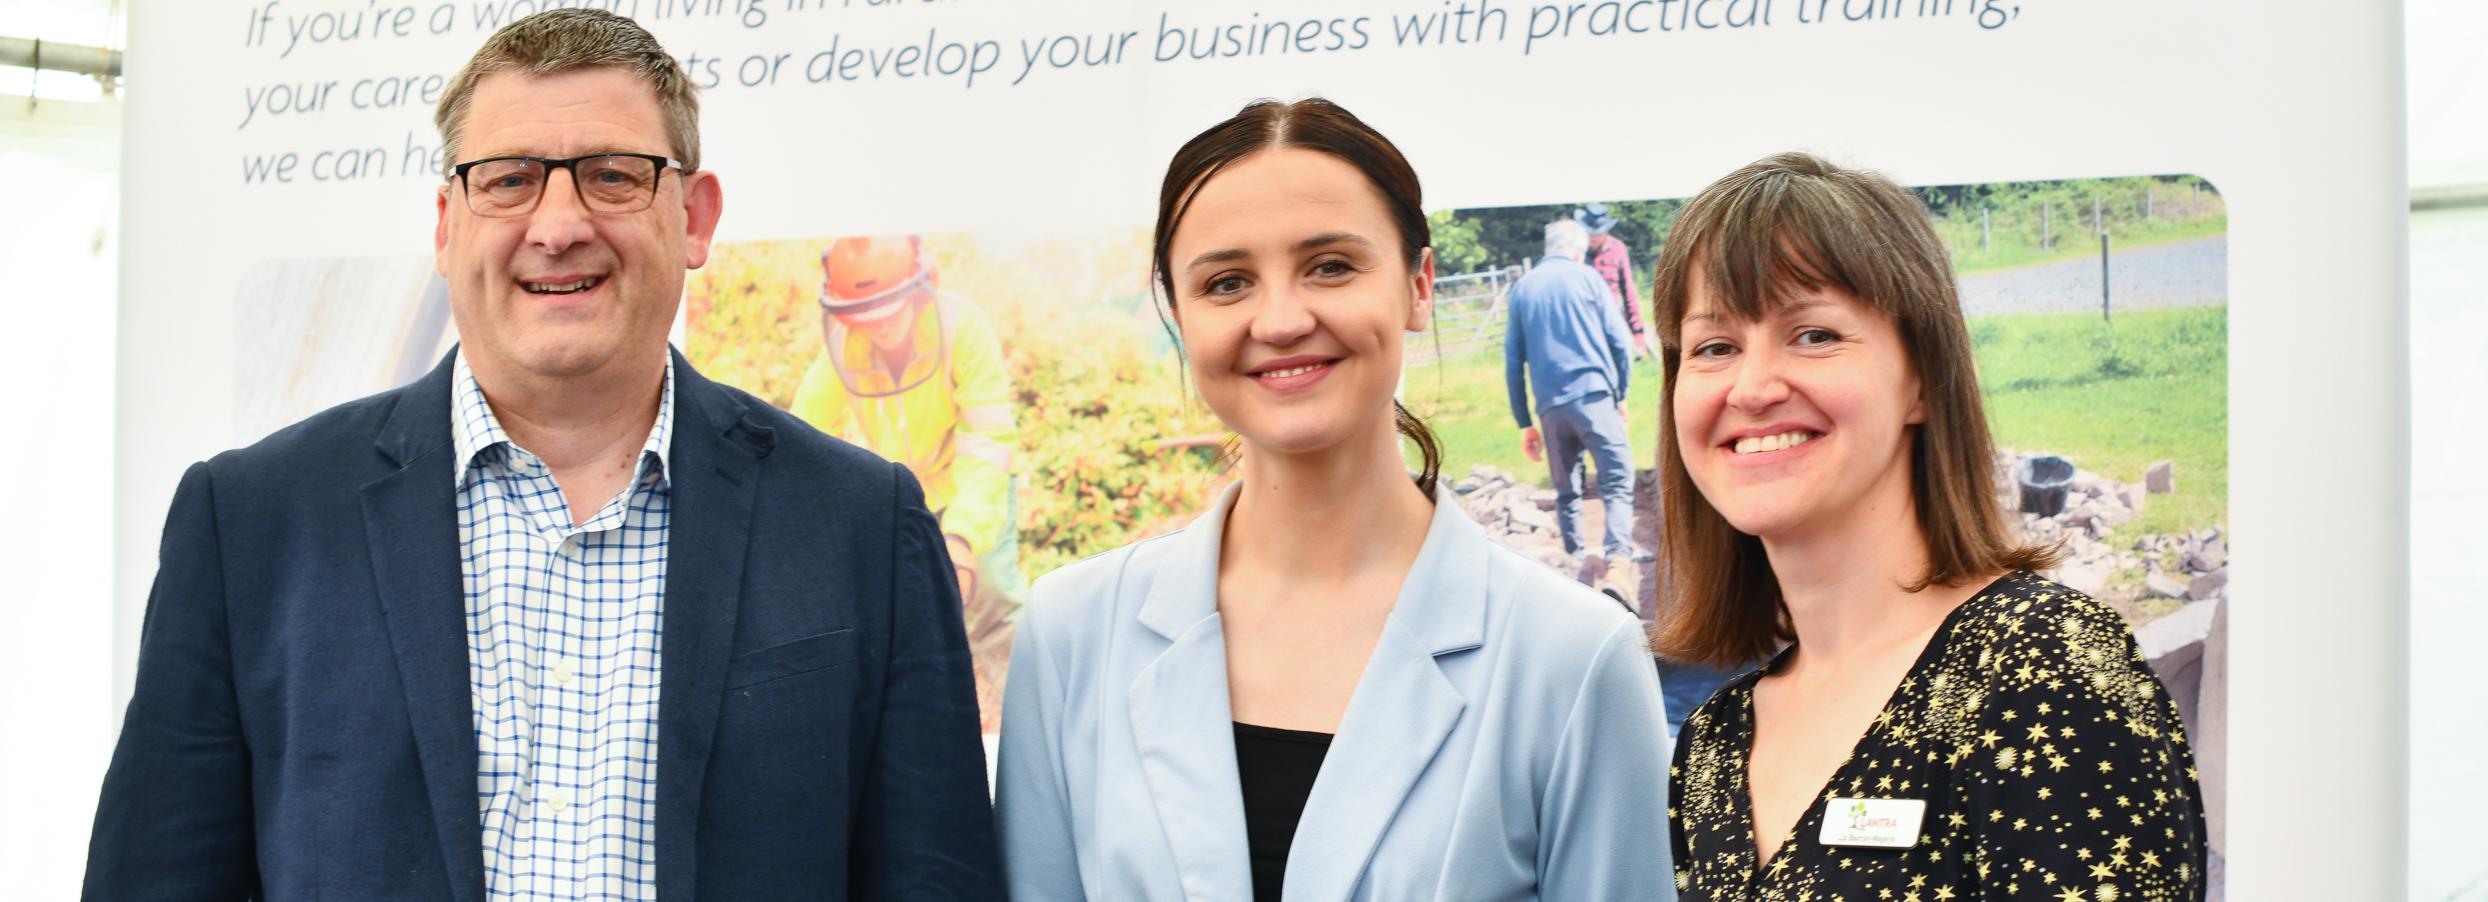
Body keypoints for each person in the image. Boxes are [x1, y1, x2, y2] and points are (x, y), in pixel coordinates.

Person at [83, 10, 1005, 900]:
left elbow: (936, 880)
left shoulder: (860, 526)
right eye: (509, 179)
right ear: (449, 224)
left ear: (695, 217)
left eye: (610, 176)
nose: (558, 224)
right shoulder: (252, 522)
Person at [993, 98, 1674, 901]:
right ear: (1178, 316)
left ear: (1419, 286)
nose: (1280, 319)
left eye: (1330, 266)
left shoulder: (1573, 657)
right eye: (1227, 282)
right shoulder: (1073, 637)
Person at [1654, 152, 2205, 899]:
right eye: (1714, 347)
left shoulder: (2043, 671)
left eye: (1813, 334)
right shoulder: (1714, 745)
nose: (1752, 387)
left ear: (1920, 376)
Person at [790, 234, 1023, 728]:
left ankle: (1024, 718)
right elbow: (804, 438)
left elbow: (987, 440)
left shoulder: (964, 328)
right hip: (902, 500)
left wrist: (961, 539)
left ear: (922, 289)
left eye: (891, 310)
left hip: (970, 487)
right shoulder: (839, 347)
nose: (881, 326)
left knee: (995, 597)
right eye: (864, 315)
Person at [1505, 217, 1647, 567]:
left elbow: (1512, 362)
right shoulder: (1589, 278)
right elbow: (1620, 343)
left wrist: (1525, 422)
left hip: (1550, 407)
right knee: (1616, 478)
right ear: (1578, 249)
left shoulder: (1522, 289)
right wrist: (1619, 395)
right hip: (1595, 396)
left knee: (1567, 489)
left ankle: (1576, 559)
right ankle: (1618, 558)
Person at [1574, 202, 1655, 359]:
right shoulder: (1578, 251)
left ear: (1605, 231)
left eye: (1596, 234)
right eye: (1589, 233)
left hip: (1611, 320)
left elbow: (1628, 291)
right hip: (1583, 321)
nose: (1592, 238)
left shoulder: (1618, 249)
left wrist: (1638, 332)